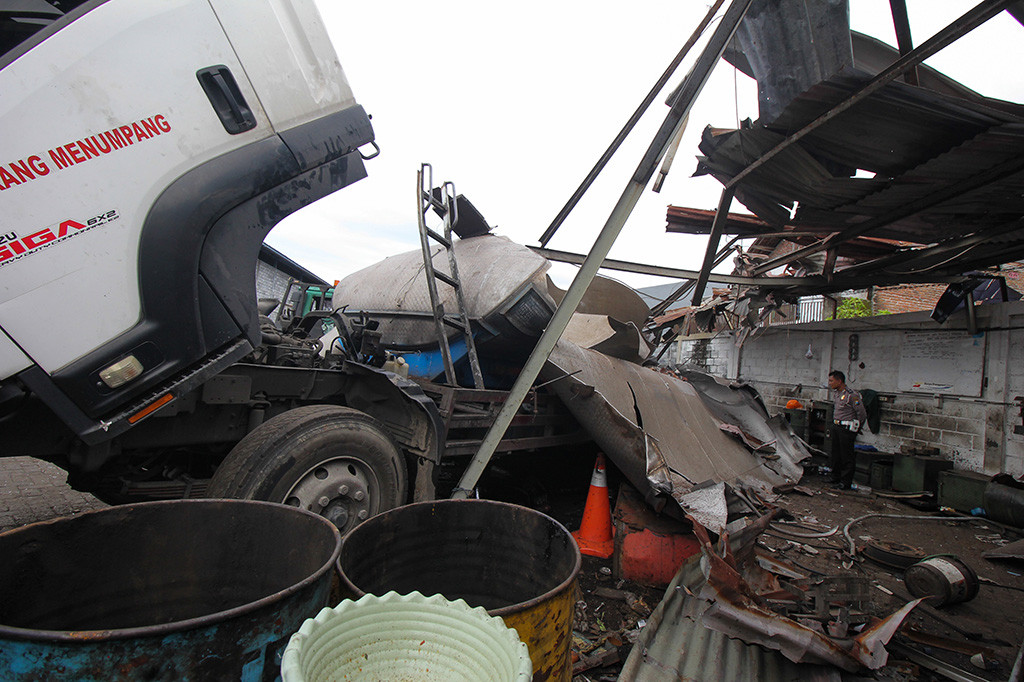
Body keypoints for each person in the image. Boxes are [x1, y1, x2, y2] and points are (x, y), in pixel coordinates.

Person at [827, 370, 868, 490]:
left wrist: (857, 428)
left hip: (847, 429)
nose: (829, 383)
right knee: (836, 454)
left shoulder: (852, 395)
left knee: (846, 456)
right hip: (837, 426)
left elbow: (862, 413)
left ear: (839, 381)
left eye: (831, 381)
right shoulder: (837, 394)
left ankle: (845, 482)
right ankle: (835, 477)